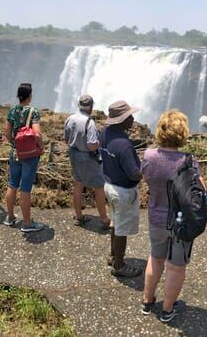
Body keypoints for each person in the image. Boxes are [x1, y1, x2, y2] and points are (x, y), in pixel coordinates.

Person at [141, 110, 203, 322]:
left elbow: (147, 178)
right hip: (179, 223)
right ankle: (167, 310)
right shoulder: (188, 160)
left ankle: (147, 301)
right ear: (182, 133)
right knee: (176, 268)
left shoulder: (149, 156)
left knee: (155, 259)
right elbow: (199, 190)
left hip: (155, 218)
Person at [99, 100, 142, 278]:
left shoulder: (105, 133)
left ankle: (112, 255)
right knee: (122, 230)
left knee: (116, 224)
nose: (132, 118)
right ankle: (119, 265)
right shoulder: (124, 145)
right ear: (121, 121)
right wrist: (145, 170)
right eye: (129, 116)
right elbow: (134, 174)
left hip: (109, 185)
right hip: (123, 191)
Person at [63, 94, 110, 228]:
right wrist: (100, 144)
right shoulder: (90, 122)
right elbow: (91, 144)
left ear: (79, 105)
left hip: (73, 154)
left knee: (78, 184)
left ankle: (79, 216)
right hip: (87, 156)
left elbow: (66, 139)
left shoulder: (70, 119)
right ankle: (104, 219)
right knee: (99, 186)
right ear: (91, 107)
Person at [4, 83, 45, 232]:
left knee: (12, 183)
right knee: (25, 188)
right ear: (29, 96)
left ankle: (10, 217)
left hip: (15, 153)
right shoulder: (33, 112)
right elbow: (37, 133)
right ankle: (27, 224)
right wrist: (41, 148)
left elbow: (7, 134)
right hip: (29, 156)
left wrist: (15, 144)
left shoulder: (11, 111)